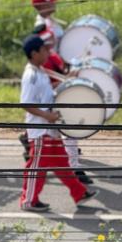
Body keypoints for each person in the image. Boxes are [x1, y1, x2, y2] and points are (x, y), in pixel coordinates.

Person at [19, 35, 97, 212]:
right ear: (34, 53)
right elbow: (26, 103)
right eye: (44, 50)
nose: (48, 52)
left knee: (62, 163)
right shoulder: (31, 75)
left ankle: (79, 192)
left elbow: (47, 93)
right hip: (40, 130)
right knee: (36, 167)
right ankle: (28, 200)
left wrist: (68, 79)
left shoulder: (40, 71)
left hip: (50, 128)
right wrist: (47, 116)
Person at [31, 25, 92, 185]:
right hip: (54, 103)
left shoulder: (53, 55)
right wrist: (70, 76)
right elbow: (50, 85)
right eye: (47, 41)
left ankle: (73, 176)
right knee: (68, 136)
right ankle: (74, 171)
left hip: (59, 100)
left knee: (60, 140)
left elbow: (62, 74)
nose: (52, 41)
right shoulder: (42, 63)